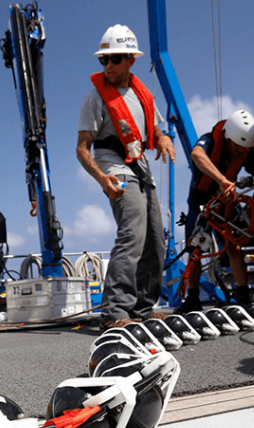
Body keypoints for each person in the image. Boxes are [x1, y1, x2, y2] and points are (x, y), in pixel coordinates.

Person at [76, 24, 176, 332]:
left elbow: (154, 128)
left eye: (114, 59)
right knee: (133, 232)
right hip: (115, 169)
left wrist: (162, 138)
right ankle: (115, 310)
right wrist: (101, 179)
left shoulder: (142, 95)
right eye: (103, 60)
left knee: (157, 239)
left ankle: (143, 308)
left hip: (141, 169)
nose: (108, 66)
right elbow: (82, 149)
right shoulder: (94, 98)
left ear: (130, 60)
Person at [182, 110, 254, 312]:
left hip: (226, 206)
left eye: (243, 149)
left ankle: (244, 295)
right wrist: (222, 180)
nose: (239, 152)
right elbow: (197, 154)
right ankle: (192, 299)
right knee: (195, 249)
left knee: (234, 248)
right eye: (236, 147)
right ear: (228, 137)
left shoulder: (247, 148)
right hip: (200, 205)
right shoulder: (210, 140)